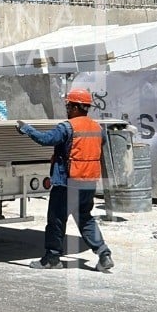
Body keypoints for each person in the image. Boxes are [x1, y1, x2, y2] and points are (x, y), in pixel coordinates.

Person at [16, 88, 114, 272]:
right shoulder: (97, 129)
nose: (67, 109)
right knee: (85, 218)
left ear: (77, 107)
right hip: (88, 183)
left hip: (67, 183)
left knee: (56, 220)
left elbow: (46, 139)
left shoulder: (68, 127)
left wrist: (26, 128)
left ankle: (52, 258)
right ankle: (103, 253)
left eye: (69, 105)